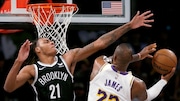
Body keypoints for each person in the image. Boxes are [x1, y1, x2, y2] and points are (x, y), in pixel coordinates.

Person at [3, 10, 154, 101]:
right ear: (37, 50)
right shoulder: (31, 69)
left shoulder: (68, 58)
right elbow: (8, 88)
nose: (52, 42)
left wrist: (128, 26)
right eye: (46, 41)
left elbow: (100, 43)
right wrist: (18, 61)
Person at [87, 43, 176, 101]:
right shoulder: (136, 84)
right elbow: (149, 96)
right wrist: (164, 80)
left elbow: (109, 59)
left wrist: (138, 56)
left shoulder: (99, 64)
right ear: (130, 59)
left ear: (115, 57)